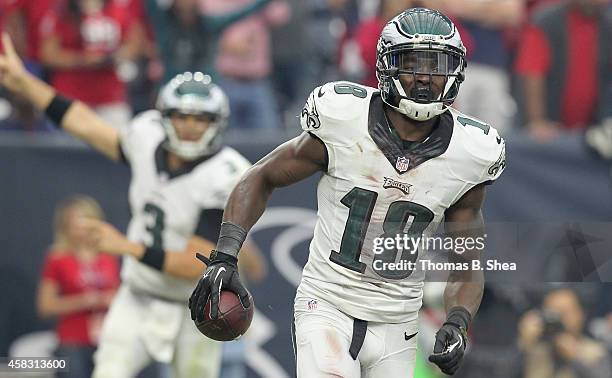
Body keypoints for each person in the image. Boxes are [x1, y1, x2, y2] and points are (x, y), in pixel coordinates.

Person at [189, 7, 506, 377]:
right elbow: (261, 176)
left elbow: (466, 260)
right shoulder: (344, 119)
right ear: (387, 66)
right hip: (327, 306)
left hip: (398, 322)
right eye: (412, 63)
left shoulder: (470, 154)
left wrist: (457, 321)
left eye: (436, 65)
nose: (424, 77)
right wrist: (225, 255)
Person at [0, 33, 259, 377]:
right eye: (183, 116)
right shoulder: (146, 134)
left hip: (195, 304)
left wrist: (127, 247)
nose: (191, 126)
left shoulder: (228, 173)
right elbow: (87, 125)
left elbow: (198, 262)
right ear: (166, 116)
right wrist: (25, 83)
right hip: (137, 296)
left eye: (201, 119)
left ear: (217, 123)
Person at [37, 195, 120, 378]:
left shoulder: (108, 257)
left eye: (84, 221)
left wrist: (112, 299)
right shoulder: (57, 258)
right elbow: (46, 306)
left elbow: (117, 294)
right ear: (65, 227)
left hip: (107, 339)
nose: (79, 229)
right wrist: (85, 300)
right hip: (72, 340)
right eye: (73, 223)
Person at [518, 288, 611, 378]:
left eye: (565, 312)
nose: (560, 319)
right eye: (552, 313)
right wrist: (524, 343)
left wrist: (575, 358)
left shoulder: (596, 352)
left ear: (581, 314)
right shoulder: (533, 348)